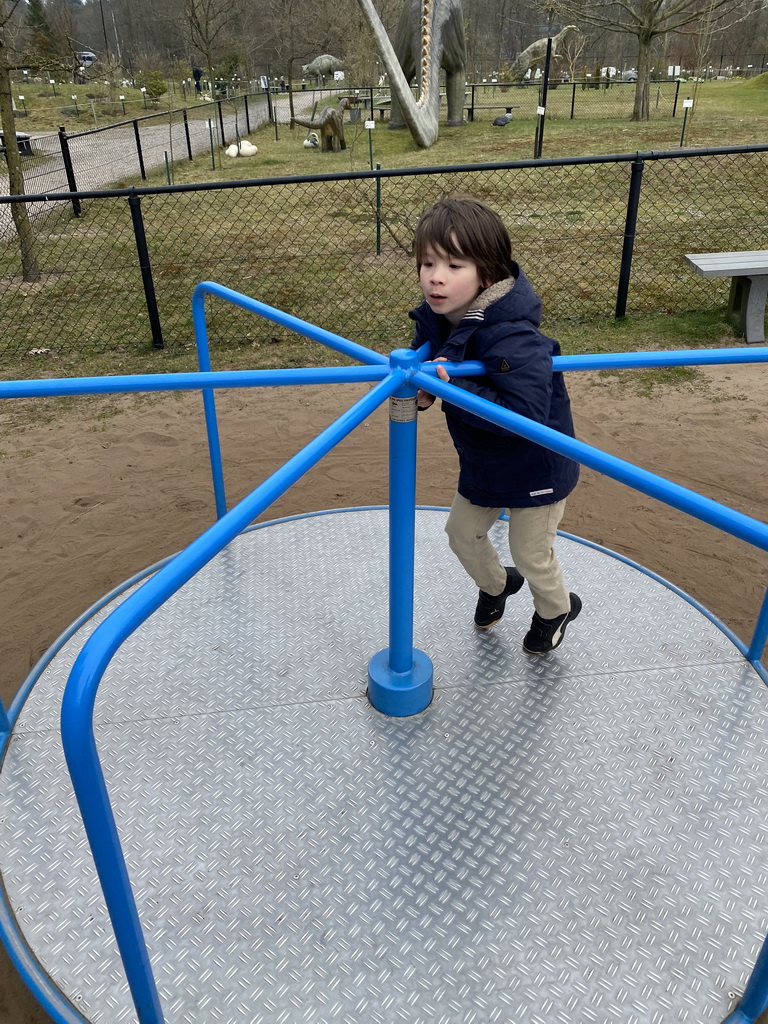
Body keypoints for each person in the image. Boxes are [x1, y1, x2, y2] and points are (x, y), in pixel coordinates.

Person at [411, 197, 581, 654]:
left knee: (531, 553)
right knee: (461, 534)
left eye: (453, 264)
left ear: (486, 274)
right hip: (485, 461)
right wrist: (425, 391)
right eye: (427, 262)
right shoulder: (436, 319)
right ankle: (497, 583)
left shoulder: (514, 335)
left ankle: (556, 609)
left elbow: (524, 416)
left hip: (536, 466)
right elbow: (429, 361)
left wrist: (452, 392)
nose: (435, 276)